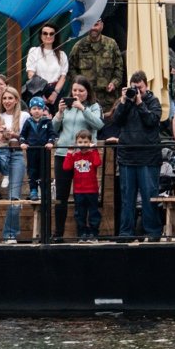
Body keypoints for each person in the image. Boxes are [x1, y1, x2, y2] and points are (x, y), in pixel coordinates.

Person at [112, 71, 163, 241]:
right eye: (135, 88)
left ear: (146, 86)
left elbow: (152, 121)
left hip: (148, 156)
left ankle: (153, 232)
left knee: (150, 196)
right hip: (127, 155)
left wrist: (140, 103)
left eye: (140, 88)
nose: (137, 92)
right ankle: (126, 233)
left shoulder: (154, 101)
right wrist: (123, 101)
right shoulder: (126, 102)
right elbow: (116, 120)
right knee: (127, 198)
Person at [52, 78, 104, 242]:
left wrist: (82, 109)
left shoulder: (94, 106)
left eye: (81, 91)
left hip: (85, 155)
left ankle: (87, 231)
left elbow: (98, 125)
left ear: (87, 91)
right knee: (61, 195)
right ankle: (58, 233)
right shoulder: (66, 107)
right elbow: (54, 128)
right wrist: (59, 114)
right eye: (74, 90)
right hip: (64, 153)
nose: (77, 94)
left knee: (85, 194)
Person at [69, 18, 124, 112]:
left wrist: (114, 83)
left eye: (96, 25)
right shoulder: (79, 46)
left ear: (102, 25)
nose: (93, 28)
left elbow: (119, 68)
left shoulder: (111, 44)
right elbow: (71, 68)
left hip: (108, 98)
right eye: (90, 25)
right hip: (86, 98)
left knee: (107, 124)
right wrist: (79, 85)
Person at [0, 86, 30, 243]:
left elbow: (29, 136)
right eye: (4, 98)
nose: (7, 101)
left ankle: (9, 234)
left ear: (17, 100)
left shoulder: (24, 115)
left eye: (10, 98)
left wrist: (14, 135)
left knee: (14, 198)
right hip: (1, 153)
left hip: (16, 155)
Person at [64, 130, 102, 242]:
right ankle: (82, 234)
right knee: (80, 214)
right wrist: (69, 152)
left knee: (93, 213)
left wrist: (94, 150)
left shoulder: (92, 154)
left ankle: (93, 234)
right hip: (78, 191)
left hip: (92, 190)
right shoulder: (75, 155)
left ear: (90, 142)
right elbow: (66, 167)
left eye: (86, 142)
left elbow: (97, 163)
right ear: (76, 143)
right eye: (80, 142)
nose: (83, 144)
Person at [20, 97, 57, 205]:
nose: (37, 110)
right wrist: (23, 143)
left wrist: (50, 142)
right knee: (32, 171)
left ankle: (45, 191)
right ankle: (33, 191)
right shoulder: (28, 122)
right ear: (30, 110)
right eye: (34, 108)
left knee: (44, 171)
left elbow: (52, 134)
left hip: (44, 151)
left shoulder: (47, 121)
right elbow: (22, 135)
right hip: (32, 151)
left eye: (39, 108)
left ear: (43, 110)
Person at [26, 25, 68, 106]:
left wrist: (54, 94)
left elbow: (63, 78)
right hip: (37, 91)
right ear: (41, 36)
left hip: (55, 92)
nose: (48, 36)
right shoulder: (34, 51)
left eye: (51, 33)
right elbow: (30, 74)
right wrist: (42, 94)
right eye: (45, 33)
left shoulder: (62, 55)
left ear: (55, 36)